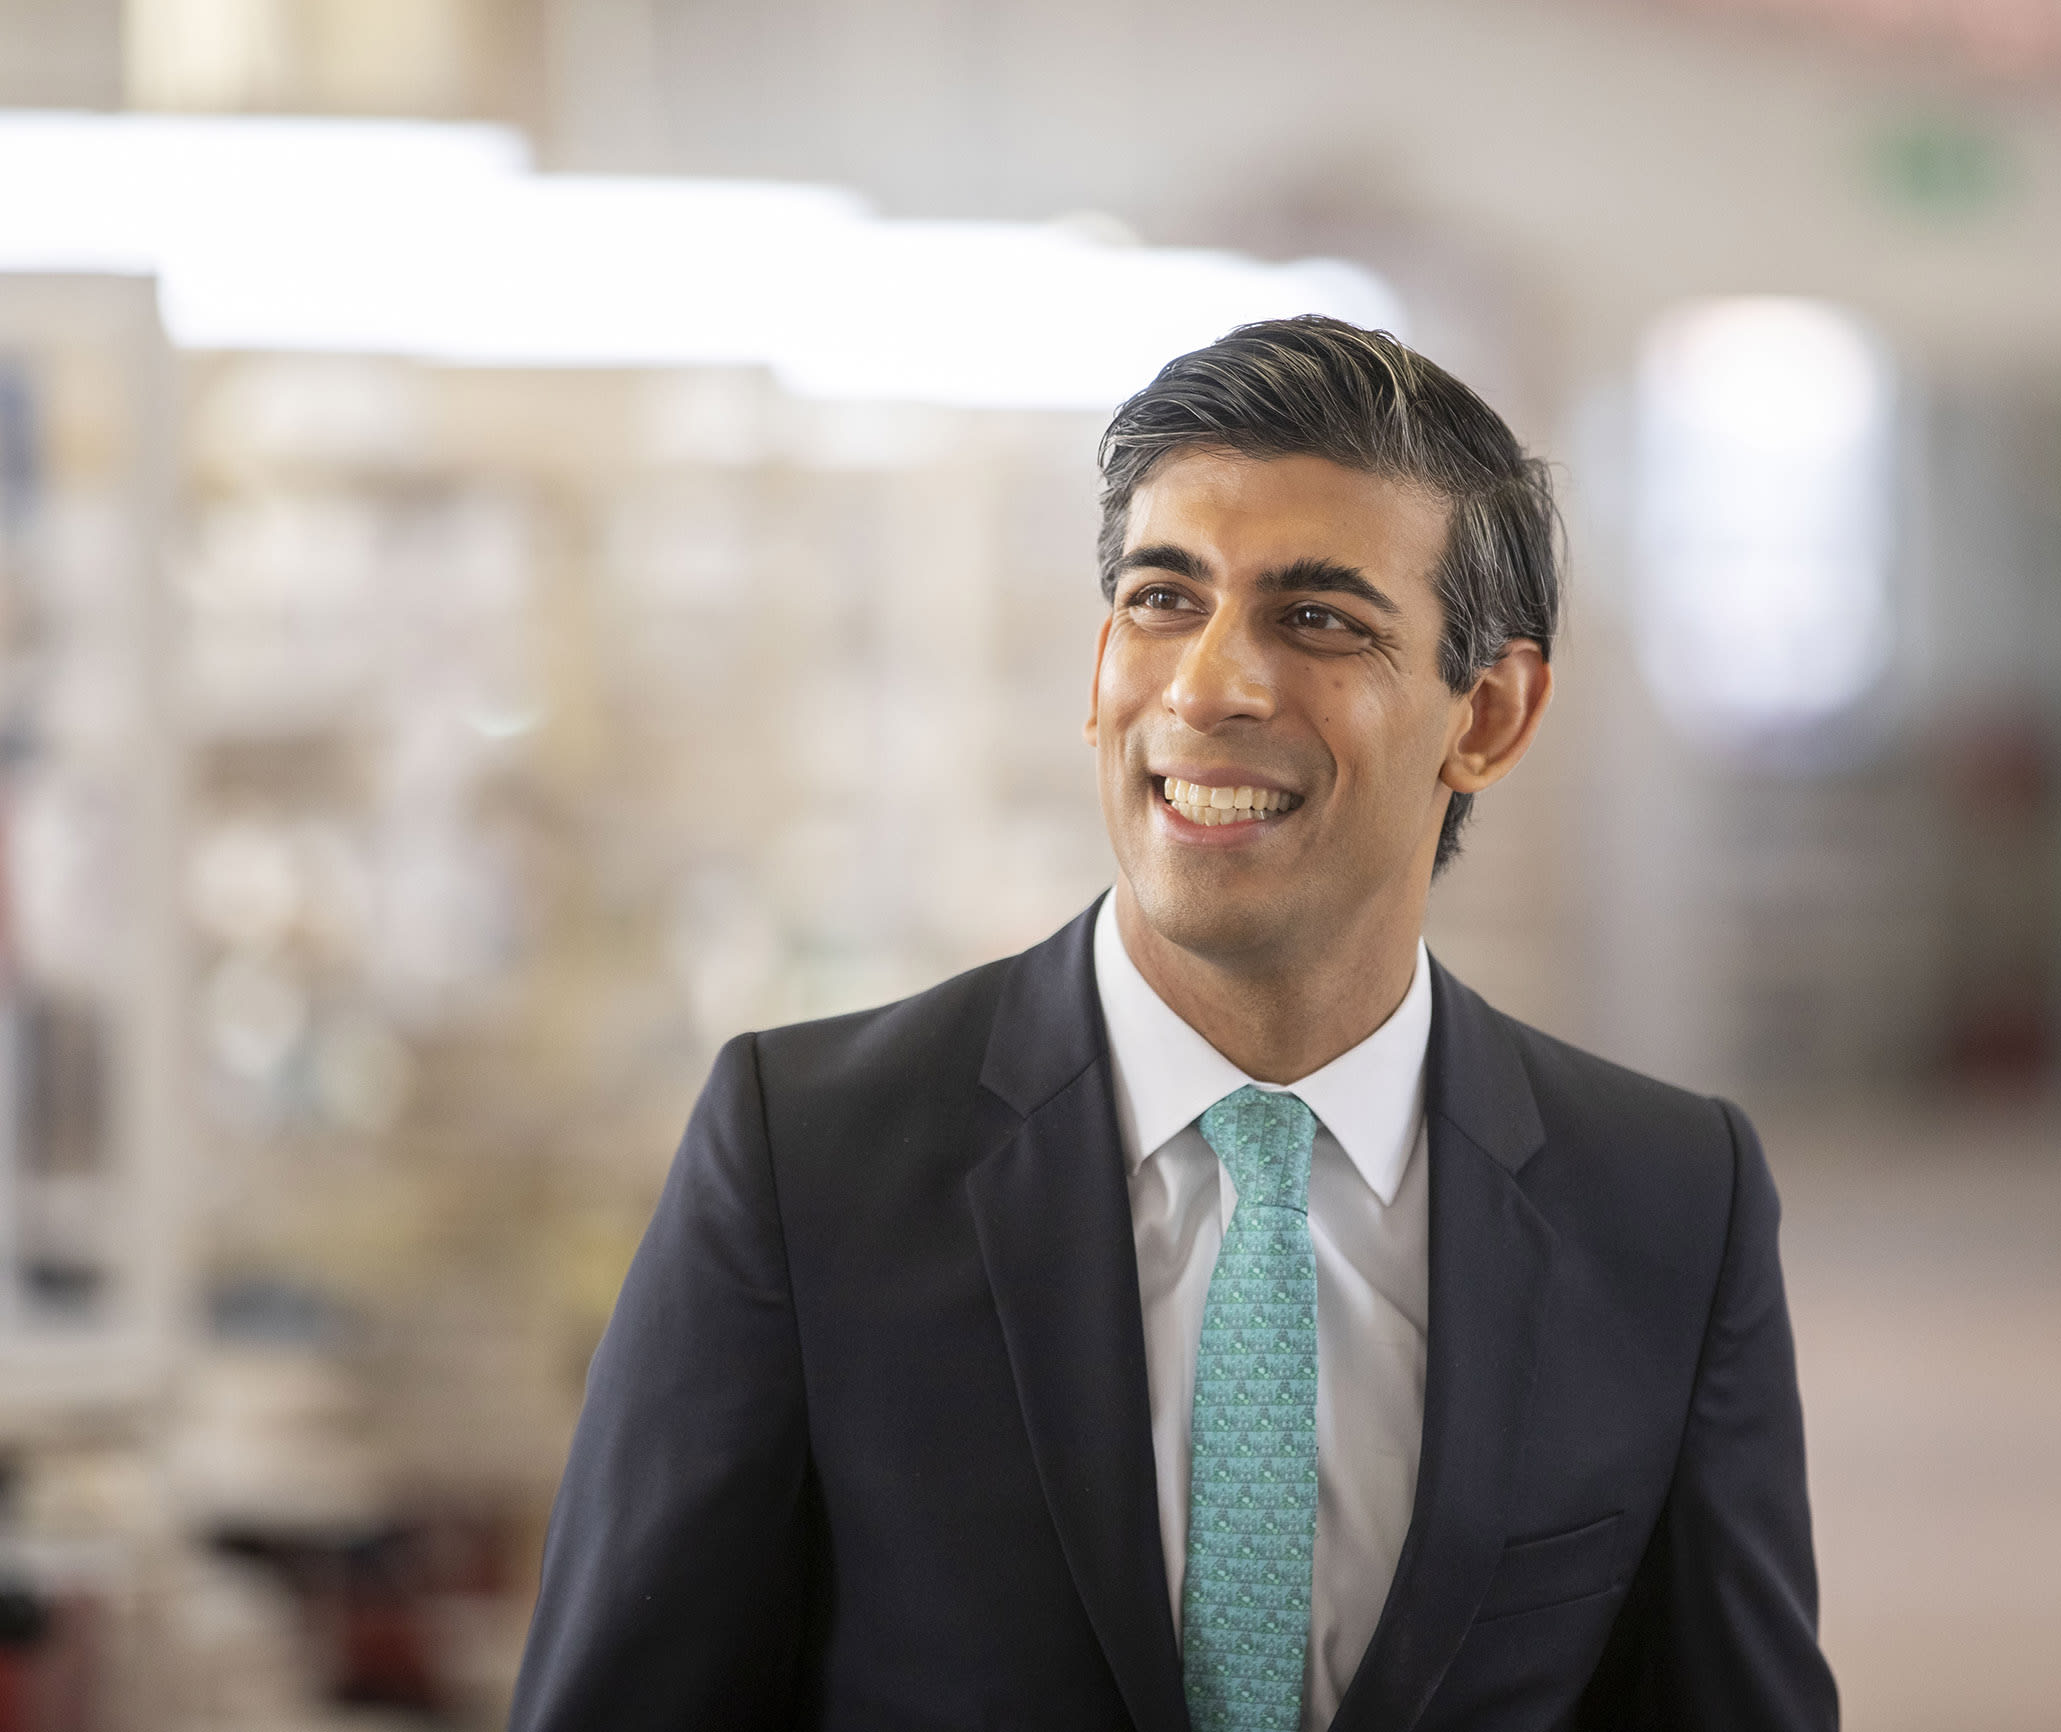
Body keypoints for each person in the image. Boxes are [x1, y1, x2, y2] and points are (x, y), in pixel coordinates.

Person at [508, 317, 1838, 1732]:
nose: (1211, 687)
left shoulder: (1665, 1204)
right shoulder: (811, 1159)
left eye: (1319, 618)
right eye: (1163, 599)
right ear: (1100, 667)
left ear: (1490, 716)